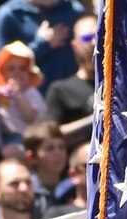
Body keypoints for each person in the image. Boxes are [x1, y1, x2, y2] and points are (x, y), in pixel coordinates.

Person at [43, 9, 93, 141]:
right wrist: (95, 120)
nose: (94, 43)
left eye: (101, 36)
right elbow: (51, 133)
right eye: (87, 38)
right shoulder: (60, 90)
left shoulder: (121, 84)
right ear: (74, 45)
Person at [0, 38, 46, 139]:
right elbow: (2, 110)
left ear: (29, 74)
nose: (17, 73)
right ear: (3, 74)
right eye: (11, 69)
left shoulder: (30, 93)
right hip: (7, 134)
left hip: (29, 136)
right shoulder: (3, 92)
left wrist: (19, 95)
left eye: (22, 69)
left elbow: (30, 117)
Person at [23, 114, 69, 214]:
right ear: (31, 157)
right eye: (50, 148)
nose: (58, 153)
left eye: (61, 147)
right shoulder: (27, 193)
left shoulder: (73, 186)